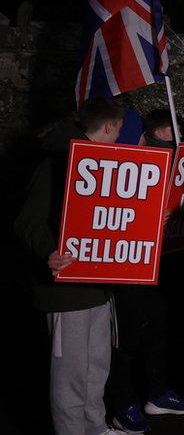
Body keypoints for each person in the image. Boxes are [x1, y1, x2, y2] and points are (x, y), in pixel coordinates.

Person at [14, 98, 123, 435]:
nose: (120, 135)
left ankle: (95, 427)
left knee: (97, 367)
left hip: (98, 288)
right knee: (70, 375)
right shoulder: (56, 162)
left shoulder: (104, 164)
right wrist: (50, 251)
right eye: (119, 129)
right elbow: (26, 221)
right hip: (66, 291)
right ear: (108, 127)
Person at [107, 111, 184, 433]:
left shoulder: (159, 162)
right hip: (124, 272)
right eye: (140, 135)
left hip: (155, 269)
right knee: (125, 340)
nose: (145, 140)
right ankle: (122, 402)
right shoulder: (114, 169)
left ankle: (157, 393)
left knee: (158, 329)